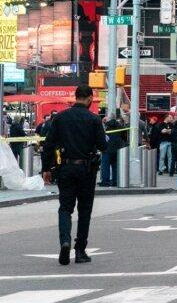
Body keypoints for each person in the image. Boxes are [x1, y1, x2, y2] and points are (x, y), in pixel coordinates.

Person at [40, 85, 106, 266]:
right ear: (89, 98)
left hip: (65, 168)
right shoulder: (94, 119)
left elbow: (48, 144)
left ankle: (65, 241)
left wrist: (46, 169)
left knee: (65, 208)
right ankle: (80, 250)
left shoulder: (60, 117)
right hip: (86, 169)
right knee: (85, 210)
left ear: (75, 97)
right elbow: (103, 146)